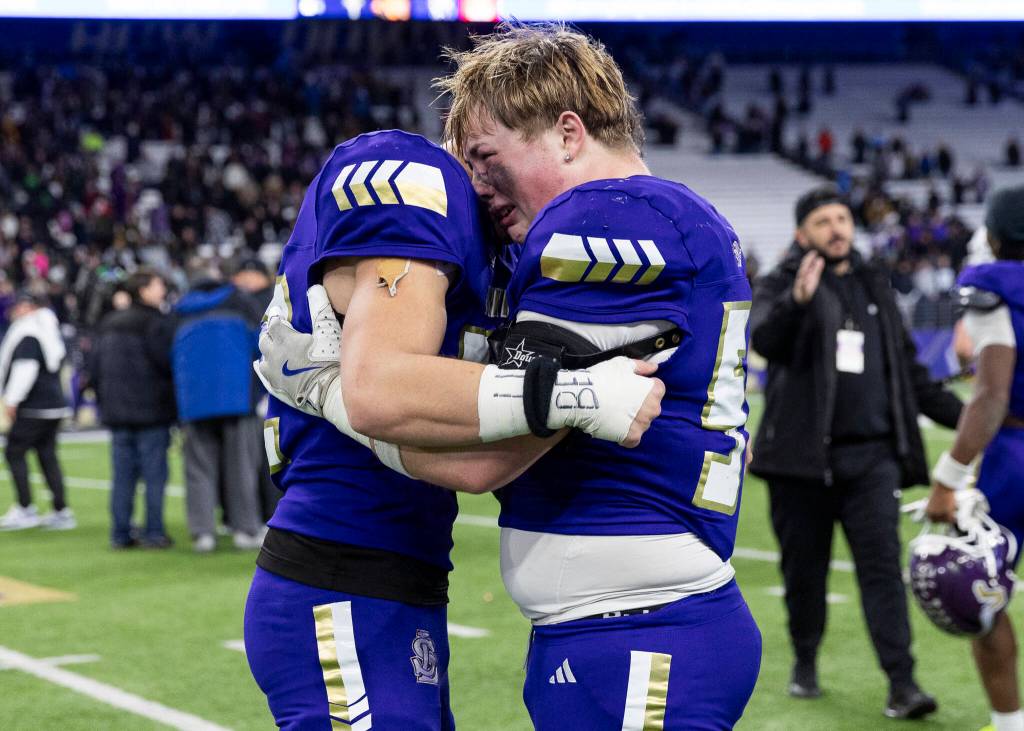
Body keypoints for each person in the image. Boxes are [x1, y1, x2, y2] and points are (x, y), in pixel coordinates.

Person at [261, 23, 762, 729]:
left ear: (567, 133)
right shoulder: (655, 218)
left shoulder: (610, 215)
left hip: (643, 628)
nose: (475, 187)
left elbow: (486, 456)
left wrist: (324, 386)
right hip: (612, 626)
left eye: (487, 158)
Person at [245, 127, 663, 730]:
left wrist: (322, 387)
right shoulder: (417, 181)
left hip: (405, 578)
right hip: (336, 570)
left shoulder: (509, 247)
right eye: (487, 158)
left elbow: (476, 467)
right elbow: (383, 394)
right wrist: (577, 394)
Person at [749, 185, 963, 718]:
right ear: (802, 234)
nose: (837, 228)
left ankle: (902, 684)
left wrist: (974, 422)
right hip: (800, 463)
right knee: (805, 573)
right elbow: (767, 342)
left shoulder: (874, 282)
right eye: (823, 221)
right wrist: (798, 302)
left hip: (871, 459)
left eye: (842, 218)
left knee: (883, 571)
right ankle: (805, 659)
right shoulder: (783, 283)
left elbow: (911, 374)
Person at [925, 184, 1024, 731]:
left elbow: (991, 396)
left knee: (981, 588)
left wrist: (948, 478)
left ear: (992, 236)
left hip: (1016, 455)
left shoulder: (997, 289)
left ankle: (1010, 723)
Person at [173, 270, 265, 552]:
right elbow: (262, 345)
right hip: (237, 397)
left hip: (194, 401)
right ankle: (246, 529)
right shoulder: (240, 302)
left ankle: (203, 533)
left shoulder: (179, 311)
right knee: (242, 467)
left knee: (198, 469)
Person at [93, 269, 176, 549]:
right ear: (143, 291)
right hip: (152, 411)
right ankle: (154, 532)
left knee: (122, 477)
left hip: (117, 412)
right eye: (157, 285)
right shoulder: (157, 323)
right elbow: (166, 364)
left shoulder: (109, 322)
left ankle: (120, 533)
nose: (162, 289)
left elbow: (94, 369)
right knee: (154, 476)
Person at [0, 292, 73, 531]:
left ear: (27, 307)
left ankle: (25, 507)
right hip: (52, 404)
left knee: (14, 452)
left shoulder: (28, 332)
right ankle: (61, 510)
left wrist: (12, 399)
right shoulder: (48, 328)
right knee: (47, 455)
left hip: (34, 406)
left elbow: (25, 369)